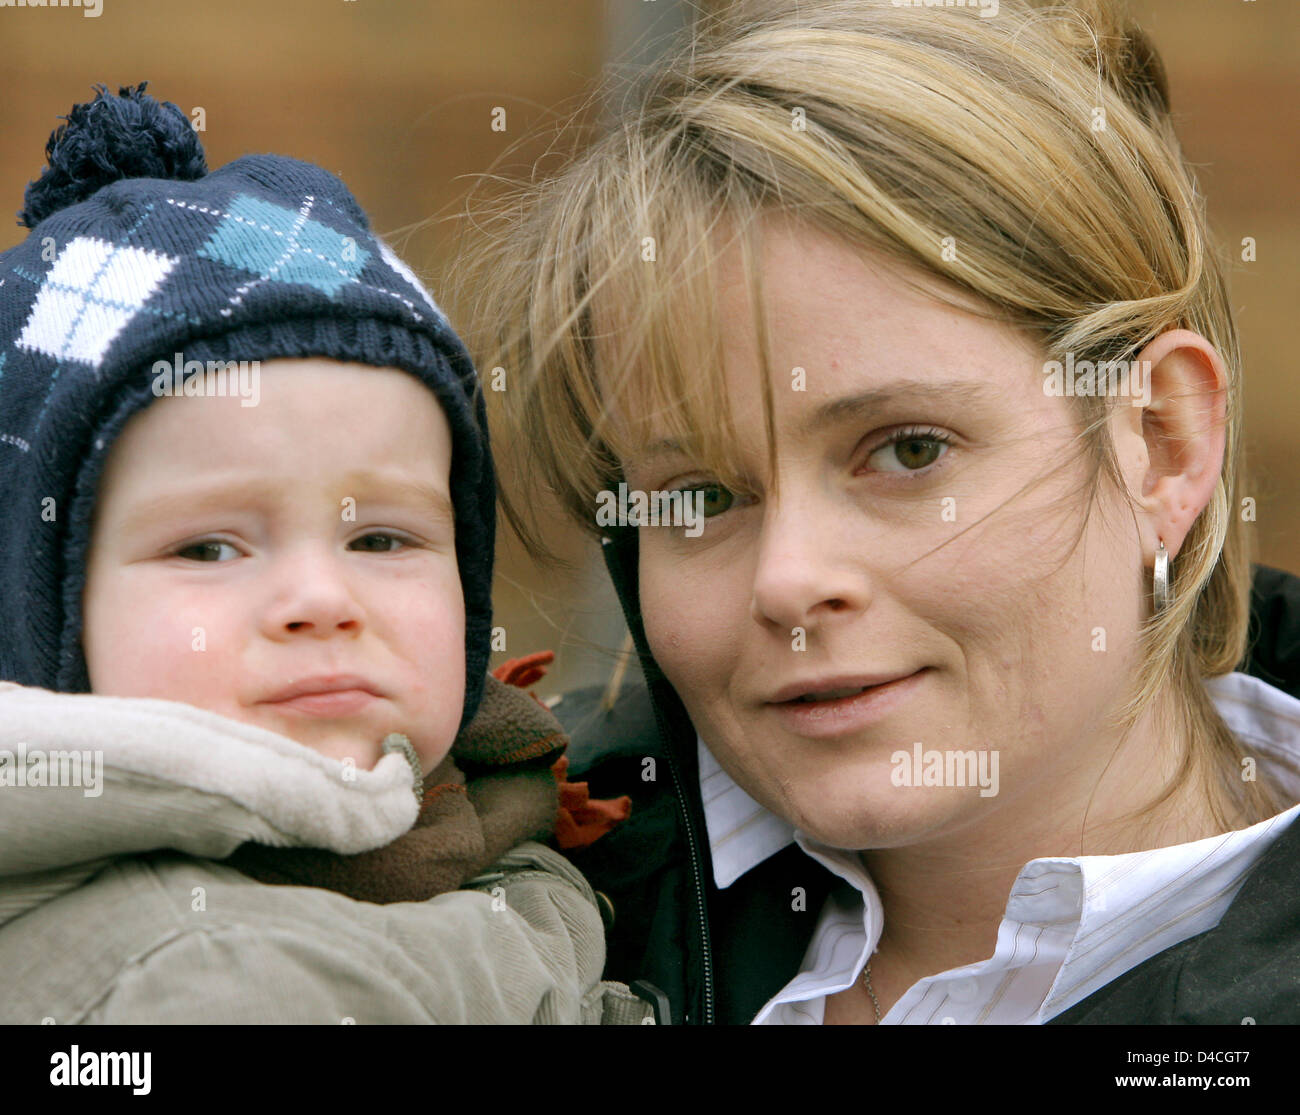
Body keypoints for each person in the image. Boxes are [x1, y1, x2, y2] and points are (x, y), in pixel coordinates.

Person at [457, 0, 1300, 1024]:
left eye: (906, 450)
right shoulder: (494, 895)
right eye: (701, 496)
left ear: (1160, 442)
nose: (788, 580)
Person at [0, 84, 651, 1024]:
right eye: (210, 547)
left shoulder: (497, 813)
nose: (319, 597)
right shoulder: (189, 985)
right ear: (40, 616)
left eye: (381, 537)